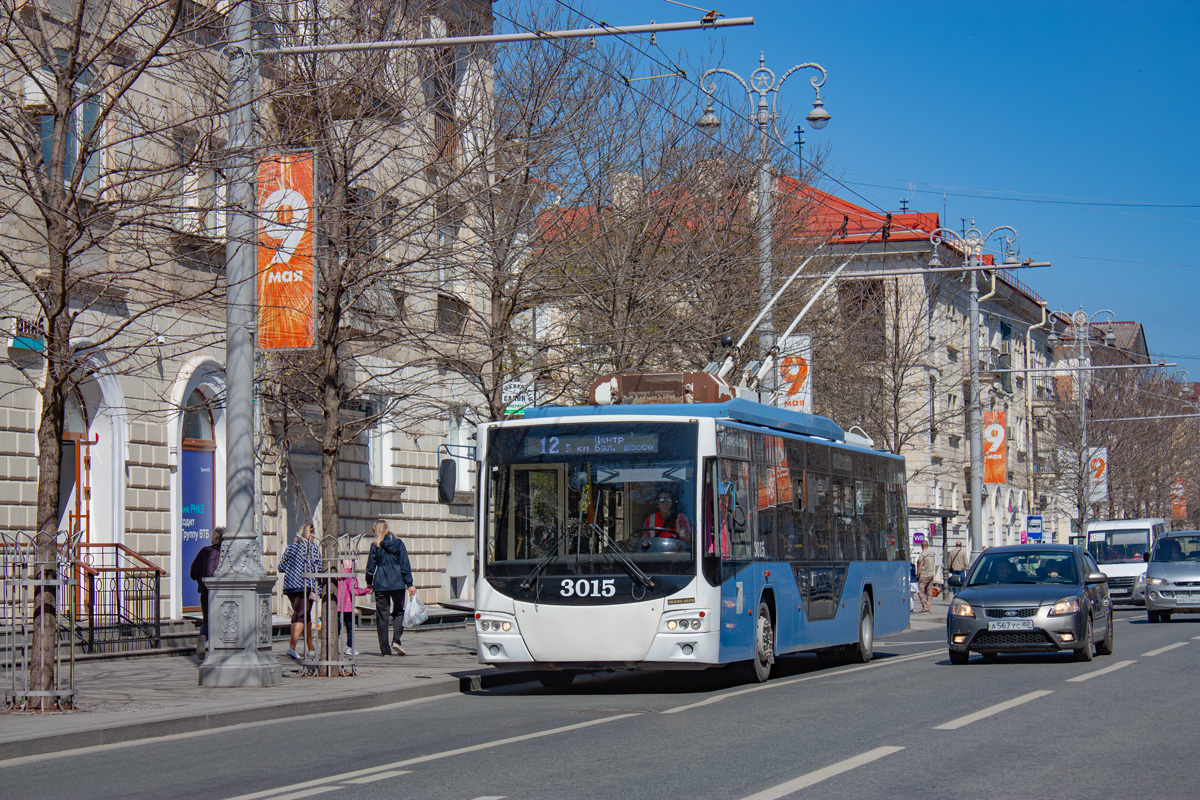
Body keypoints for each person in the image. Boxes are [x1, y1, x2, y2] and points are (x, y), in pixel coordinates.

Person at [365, 519, 416, 656]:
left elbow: (370, 567)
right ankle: (396, 640)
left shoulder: (375, 546)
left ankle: (385, 649)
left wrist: (369, 582)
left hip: (381, 582)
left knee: (382, 616)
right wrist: (409, 584)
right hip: (398, 582)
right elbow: (405, 564)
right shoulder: (398, 543)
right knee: (399, 612)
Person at [279, 523, 320, 660]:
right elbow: (318, 568)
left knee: (303, 614)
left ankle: (311, 647)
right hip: (306, 585)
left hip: (291, 586)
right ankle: (292, 647)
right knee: (301, 614)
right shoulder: (313, 548)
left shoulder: (291, 547)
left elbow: (281, 567)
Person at [189, 526, 224, 659]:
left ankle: (203, 639)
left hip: (206, 591)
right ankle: (219, 649)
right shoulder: (227, 553)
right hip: (224, 592)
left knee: (207, 619)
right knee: (222, 619)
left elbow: (193, 571)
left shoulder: (204, 551)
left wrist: (200, 581)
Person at [336, 558, 371, 656]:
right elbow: (354, 591)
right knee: (350, 628)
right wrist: (366, 590)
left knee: (337, 628)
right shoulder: (351, 576)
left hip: (338, 606)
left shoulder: (337, 575)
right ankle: (349, 648)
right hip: (347, 606)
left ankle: (332, 647)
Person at [916, 540, 936, 613]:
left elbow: (920, 566)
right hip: (931, 574)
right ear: (927, 545)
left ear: (922, 546)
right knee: (929, 591)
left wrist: (917, 575)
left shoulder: (922, 554)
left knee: (920, 591)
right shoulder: (932, 554)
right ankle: (929, 607)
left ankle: (925, 607)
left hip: (924, 575)